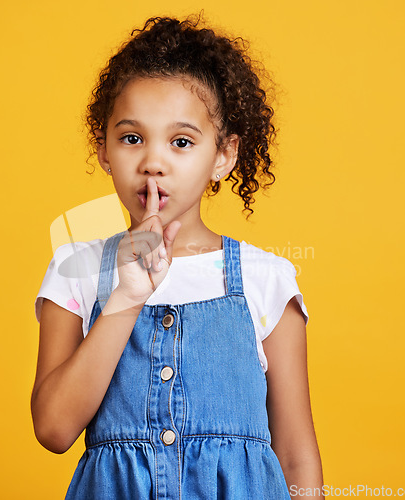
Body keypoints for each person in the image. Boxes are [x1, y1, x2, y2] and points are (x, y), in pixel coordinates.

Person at [32, 14, 324, 499]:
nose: (153, 161)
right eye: (131, 138)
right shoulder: (75, 269)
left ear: (223, 157)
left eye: (182, 142)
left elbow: (296, 453)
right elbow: (54, 429)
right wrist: (126, 295)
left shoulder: (265, 279)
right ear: (103, 149)